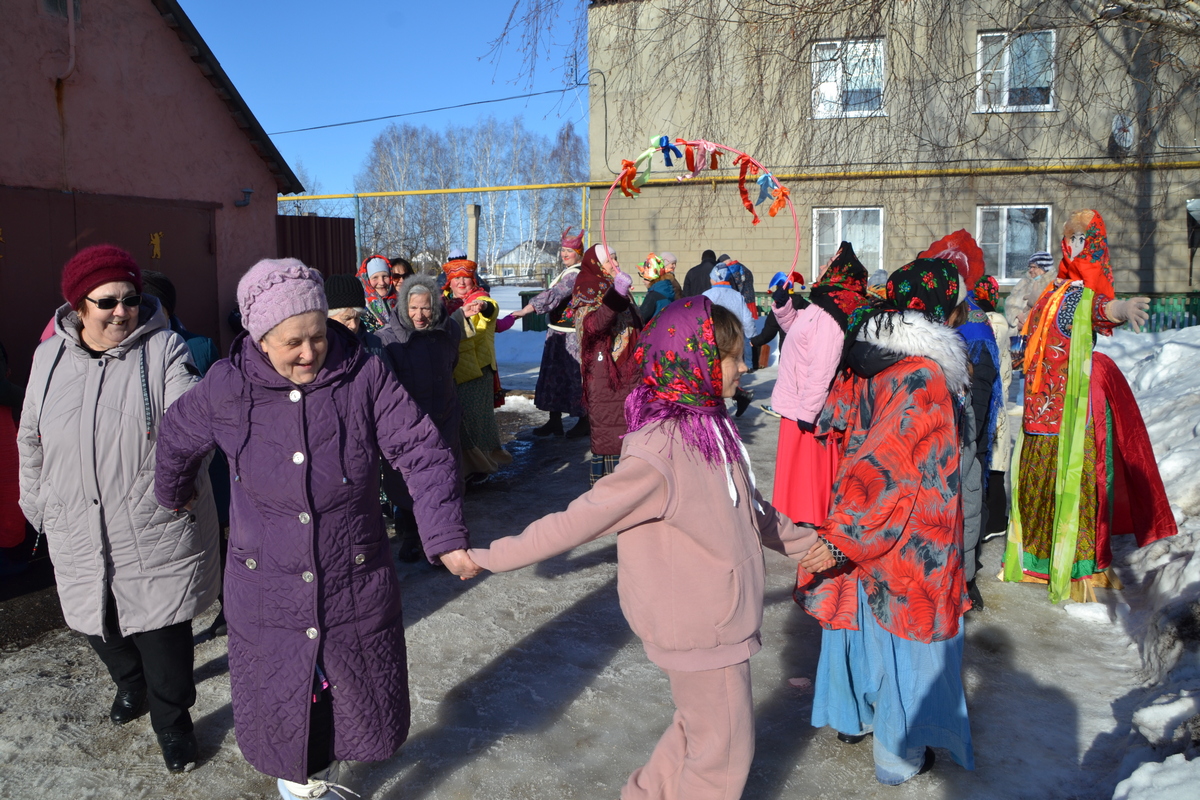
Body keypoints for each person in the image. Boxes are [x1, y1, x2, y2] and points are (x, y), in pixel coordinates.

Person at [465, 298, 821, 800]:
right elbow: (577, 521)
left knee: (697, 731)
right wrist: (487, 556)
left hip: (719, 621)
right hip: (703, 627)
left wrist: (815, 546)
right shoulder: (662, 452)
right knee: (722, 757)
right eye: (733, 357)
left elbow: (753, 511)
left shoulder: (711, 430)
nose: (745, 367)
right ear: (693, 360)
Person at [153, 258, 479, 800]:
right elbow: (177, 434)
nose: (309, 353)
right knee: (287, 704)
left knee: (344, 699)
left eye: (318, 337)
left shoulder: (363, 374)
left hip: (350, 575)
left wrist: (443, 535)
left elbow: (423, 449)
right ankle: (299, 788)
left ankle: (314, 778)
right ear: (260, 339)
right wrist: (174, 489)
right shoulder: (229, 386)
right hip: (267, 584)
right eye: (292, 344)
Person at [17, 244, 221, 773]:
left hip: (149, 520)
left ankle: (173, 723)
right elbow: (30, 438)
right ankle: (131, 686)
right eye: (106, 302)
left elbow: (190, 417)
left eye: (130, 299)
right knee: (94, 623)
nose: (121, 311)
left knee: (164, 640)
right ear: (78, 307)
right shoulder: (49, 357)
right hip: (73, 520)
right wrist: (35, 501)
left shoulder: (164, 349)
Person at [796, 257, 975, 786]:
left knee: (871, 625)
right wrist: (844, 537)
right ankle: (899, 754)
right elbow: (889, 461)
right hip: (913, 534)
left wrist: (845, 535)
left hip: (871, 527)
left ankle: (858, 717)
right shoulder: (921, 374)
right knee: (908, 642)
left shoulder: (871, 362)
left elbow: (837, 423)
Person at [1003, 210, 1175, 603]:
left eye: (1084, 240)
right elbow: (1040, 329)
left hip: (1068, 410)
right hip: (1042, 410)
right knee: (1043, 483)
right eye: (1072, 239)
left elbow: (1098, 309)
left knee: (1078, 482)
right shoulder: (1055, 290)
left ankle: (1077, 566)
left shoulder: (1075, 294)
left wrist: (1121, 309)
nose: (1075, 246)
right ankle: (1042, 560)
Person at [141, 270, 233, 639]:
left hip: (207, 465)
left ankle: (231, 605)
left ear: (165, 308)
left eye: (150, 303)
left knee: (220, 538)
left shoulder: (199, 346)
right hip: (153, 471)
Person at [770, 242, 872, 530]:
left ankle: (811, 517)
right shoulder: (823, 303)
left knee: (808, 469)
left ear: (839, 272)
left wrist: (808, 410)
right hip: (797, 400)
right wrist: (783, 307)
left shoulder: (832, 313)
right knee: (796, 468)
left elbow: (822, 366)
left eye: (829, 261)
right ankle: (797, 513)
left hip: (808, 407)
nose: (823, 265)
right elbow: (799, 330)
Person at [379, 274, 463, 562]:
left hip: (444, 414)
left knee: (444, 480)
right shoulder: (389, 340)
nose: (419, 315)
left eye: (425, 307)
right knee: (408, 482)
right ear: (403, 306)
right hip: (409, 425)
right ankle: (412, 535)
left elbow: (453, 363)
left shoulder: (449, 329)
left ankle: (444, 544)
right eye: (413, 308)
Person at [570, 244, 642, 484]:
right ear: (597, 265)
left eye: (616, 259)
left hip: (627, 375)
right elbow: (593, 327)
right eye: (611, 260)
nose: (616, 265)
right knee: (612, 440)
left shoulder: (614, 288)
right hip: (605, 377)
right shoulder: (587, 289)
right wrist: (616, 296)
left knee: (631, 441)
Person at [512, 228, 588, 438]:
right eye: (563, 250)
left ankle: (584, 421)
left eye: (569, 251)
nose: (564, 254)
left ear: (579, 253)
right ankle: (555, 421)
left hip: (570, 336)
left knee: (573, 378)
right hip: (558, 333)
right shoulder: (568, 271)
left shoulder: (574, 274)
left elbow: (555, 294)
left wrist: (529, 309)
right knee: (554, 377)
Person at [443, 254, 512, 479]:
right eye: (457, 278)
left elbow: (491, 309)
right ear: (449, 281)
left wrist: (482, 306)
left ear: (474, 279)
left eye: (467, 278)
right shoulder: (442, 299)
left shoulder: (480, 297)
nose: (462, 283)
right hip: (452, 368)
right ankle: (467, 465)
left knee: (475, 420)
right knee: (460, 420)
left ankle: (481, 466)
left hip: (477, 369)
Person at [974, 276, 1014, 540]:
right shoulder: (987, 321)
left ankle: (996, 521)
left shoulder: (994, 323)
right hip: (991, 395)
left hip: (994, 399)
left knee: (994, 461)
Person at [704, 262, 756, 416]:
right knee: (727, 376)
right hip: (734, 342)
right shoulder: (737, 295)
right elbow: (747, 319)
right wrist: (751, 336)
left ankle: (718, 411)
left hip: (713, 341)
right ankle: (739, 397)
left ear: (713, 279)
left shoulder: (707, 295)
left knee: (713, 377)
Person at [748, 271, 792, 371]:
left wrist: (756, 341)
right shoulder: (803, 304)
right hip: (805, 350)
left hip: (787, 352)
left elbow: (770, 330)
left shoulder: (779, 306)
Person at [356, 254, 396, 332]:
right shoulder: (360, 308)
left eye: (385, 276)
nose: (382, 282)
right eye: (375, 277)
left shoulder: (399, 302)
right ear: (366, 280)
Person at [635, 252, 678, 323]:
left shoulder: (653, 296)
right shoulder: (668, 290)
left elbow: (640, 319)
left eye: (645, 278)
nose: (643, 281)